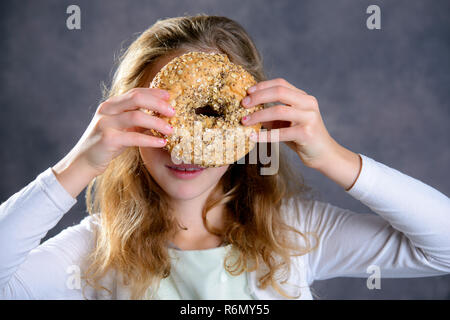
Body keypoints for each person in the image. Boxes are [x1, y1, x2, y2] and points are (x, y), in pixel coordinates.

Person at [0, 15, 449, 300]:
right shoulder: (96, 254)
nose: (184, 146)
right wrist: (79, 164)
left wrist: (332, 157)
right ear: (126, 125)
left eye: (210, 117)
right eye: (159, 118)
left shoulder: (291, 234)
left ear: (250, 128)